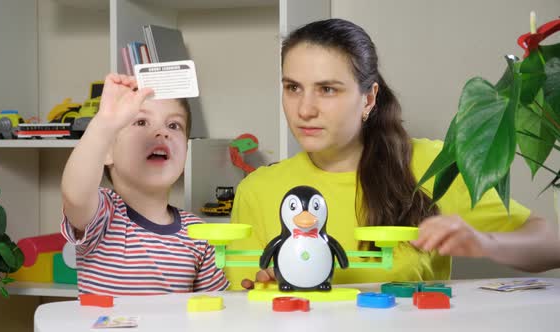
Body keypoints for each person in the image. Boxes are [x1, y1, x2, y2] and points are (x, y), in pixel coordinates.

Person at [225, 18, 560, 290]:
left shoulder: (430, 165)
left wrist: (485, 243)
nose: (304, 109)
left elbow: (551, 244)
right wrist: (263, 288)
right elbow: (246, 297)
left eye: (327, 89)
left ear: (369, 99)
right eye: (292, 87)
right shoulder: (258, 189)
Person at [61, 74, 229, 296]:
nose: (162, 132)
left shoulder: (198, 234)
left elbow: (213, 309)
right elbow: (75, 195)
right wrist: (106, 122)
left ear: (186, 152)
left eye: (174, 125)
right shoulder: (103, 215)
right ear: (107, 151)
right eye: (141, 122)